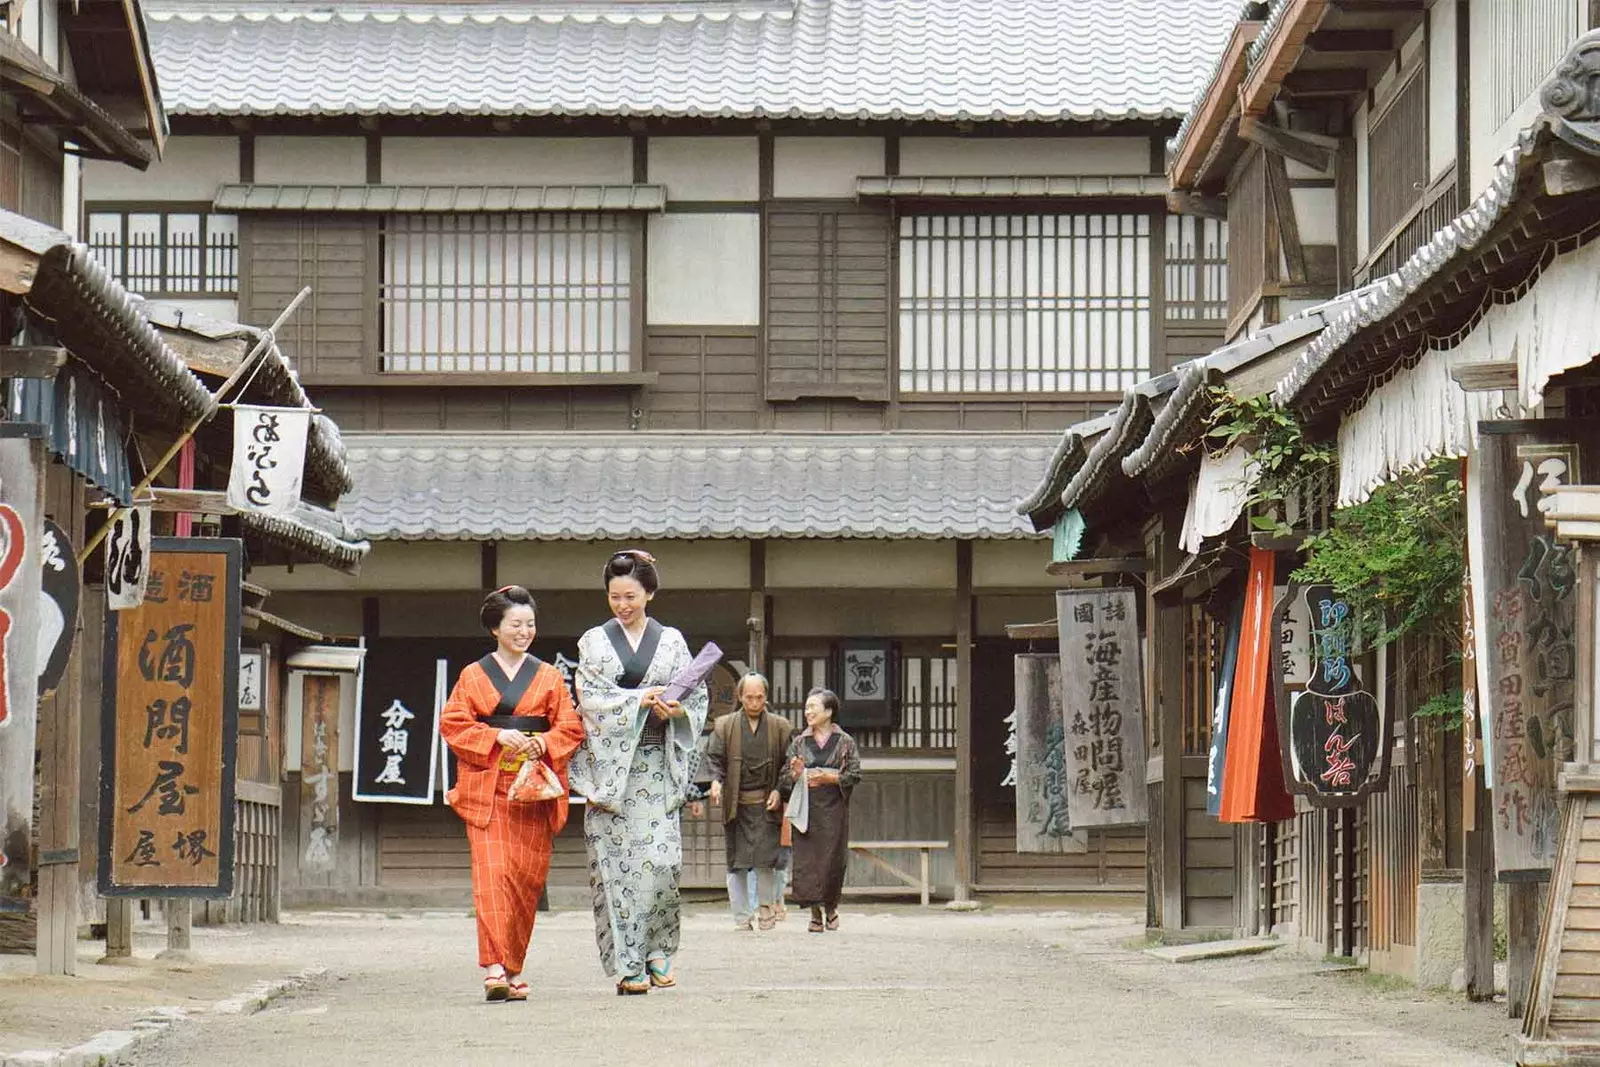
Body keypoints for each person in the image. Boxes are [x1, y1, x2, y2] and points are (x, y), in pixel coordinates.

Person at [570, 550, 709, 995]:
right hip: (611, 773)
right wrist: (638, 700)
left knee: (662, 864)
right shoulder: (593, 641)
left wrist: (675, 709)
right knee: (617, 870)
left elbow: (698, 696)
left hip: (656, 765)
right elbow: (589, 700)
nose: (622, 605)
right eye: (615, 596)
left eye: (631, 595)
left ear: (649, 592)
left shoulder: (671, 641)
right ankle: (630, 963)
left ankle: (657, 950)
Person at [439, 586, 585, 1002]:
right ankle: (494, 968)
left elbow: (571, 728)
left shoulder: (549, 676)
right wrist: (496, 734)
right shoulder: (472, 676)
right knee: (491, 879)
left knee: (524, 883)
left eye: (530, 624)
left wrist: (544, 743)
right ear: (495, 628)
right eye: (515, 624)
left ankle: (513, 966)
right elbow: (453, 725)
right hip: (489, 788)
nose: (524, 632)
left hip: (533, 791)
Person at [706, 672, 794, 931]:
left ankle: (766, 908)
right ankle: (741, 917)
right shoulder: (725, 725)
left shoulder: (781, 726)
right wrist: (715, 781)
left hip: (767, 802)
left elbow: (789, 764)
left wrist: (780, 790)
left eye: (759, 697)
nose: (754, 703)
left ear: (766, 697)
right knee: (737, 862)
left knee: (766, 859)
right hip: (737, 803)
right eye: (748, 697)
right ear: (740, 696)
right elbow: (713, 758)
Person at [779, 686, 861, 933]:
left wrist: (830, 778)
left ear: (829, 711)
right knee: (807, 861)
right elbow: (785, 777)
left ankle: (832, 907)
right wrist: (795, 774)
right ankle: (814, 912)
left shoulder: (845, 741)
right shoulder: (799, 742)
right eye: (806, 708)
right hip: (807, 806)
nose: (808, 712)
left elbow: (854, 774)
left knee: (833, 859)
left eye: (813, 707)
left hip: (834, 808)